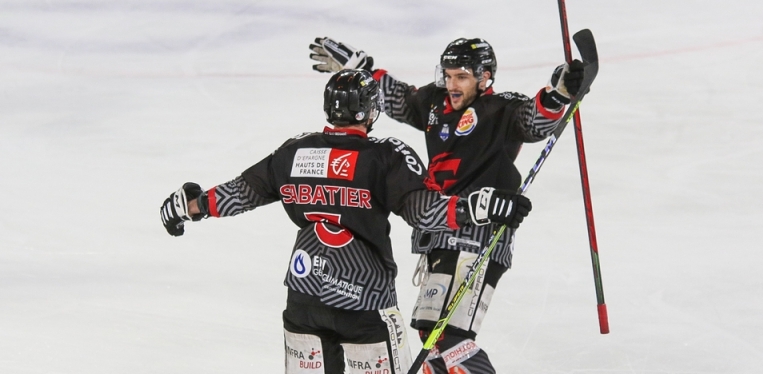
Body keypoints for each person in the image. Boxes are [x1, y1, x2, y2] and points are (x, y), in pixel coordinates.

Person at [159, 69, 532, 374]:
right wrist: (479, 207)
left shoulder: (295, 152)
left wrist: (192, 206)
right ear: (370, 111)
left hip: (304, 298)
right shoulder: (385, 156)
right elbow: (424, 212)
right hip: (364, 303)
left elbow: (243, 191)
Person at [308, 38, 585, 373]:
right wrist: (362, 70)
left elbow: (535, 122)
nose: (452, 85)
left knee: (449, 339)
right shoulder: (434, 102)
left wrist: (557, 95)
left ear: (484, 78)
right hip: (441, 234)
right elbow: (400, 99)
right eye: (448, 75)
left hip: (479, 234)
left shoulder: (502, 109)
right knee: (433, 340)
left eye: (462, 77)